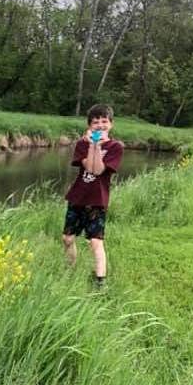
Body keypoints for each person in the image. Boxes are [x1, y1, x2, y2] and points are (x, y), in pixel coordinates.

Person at [62, 103, 123, 287]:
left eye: (104, 121)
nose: (100, 125)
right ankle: (69, 269)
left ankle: (99, 281)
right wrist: (91, 145)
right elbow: (88, 167)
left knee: (95, 242)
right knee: (67, 238)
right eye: (95, 122)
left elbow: (97, 171)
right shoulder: (82, 144)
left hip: (97, 201)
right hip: (78, 198)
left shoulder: (115, 147)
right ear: (89, 125)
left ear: (111, 124)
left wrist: (96, 146)